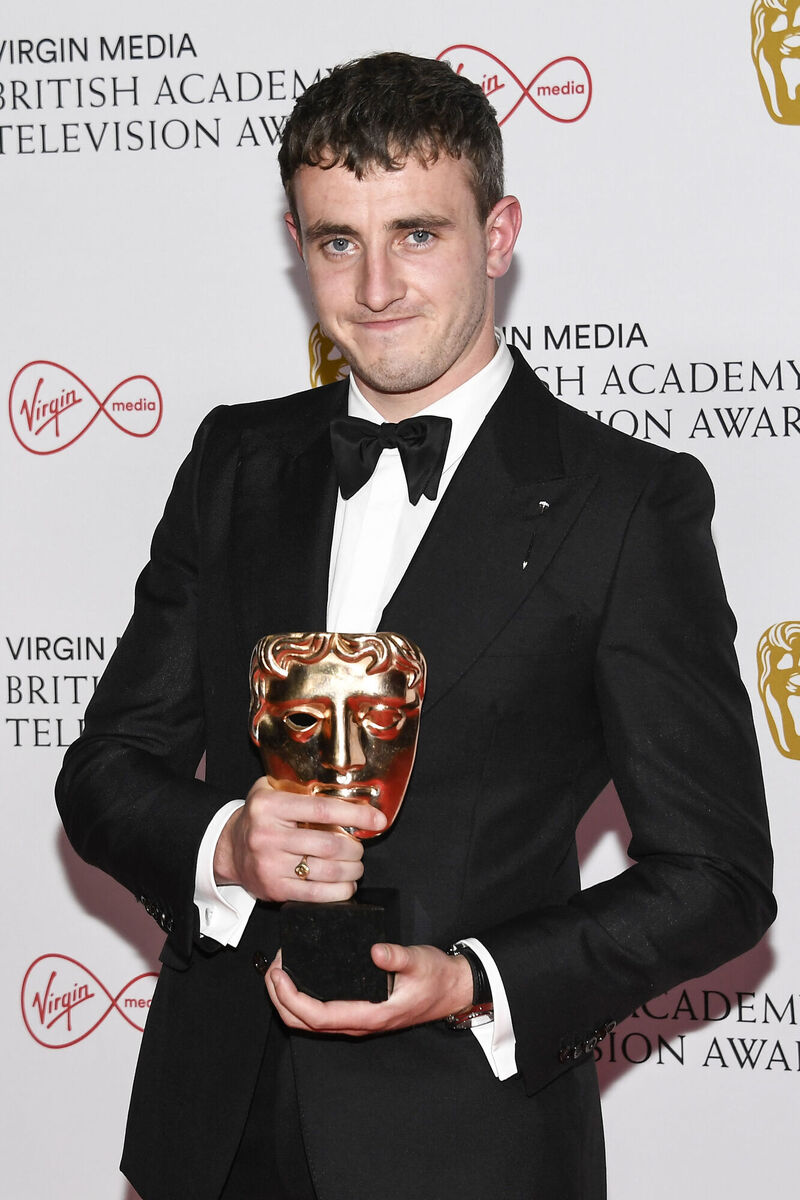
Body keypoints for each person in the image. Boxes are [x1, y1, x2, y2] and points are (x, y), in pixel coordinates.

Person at [56, 51, 776, 1200]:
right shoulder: (235, 462)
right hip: (210, 1126)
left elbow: (716, 873)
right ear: (298, 246)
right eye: (339, 240)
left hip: (467, 1142)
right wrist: (227, 841)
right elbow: (105, 773)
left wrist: (474, 979)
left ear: (498, 236)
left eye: (419, 235)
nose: (378, 285)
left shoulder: (627, 503)